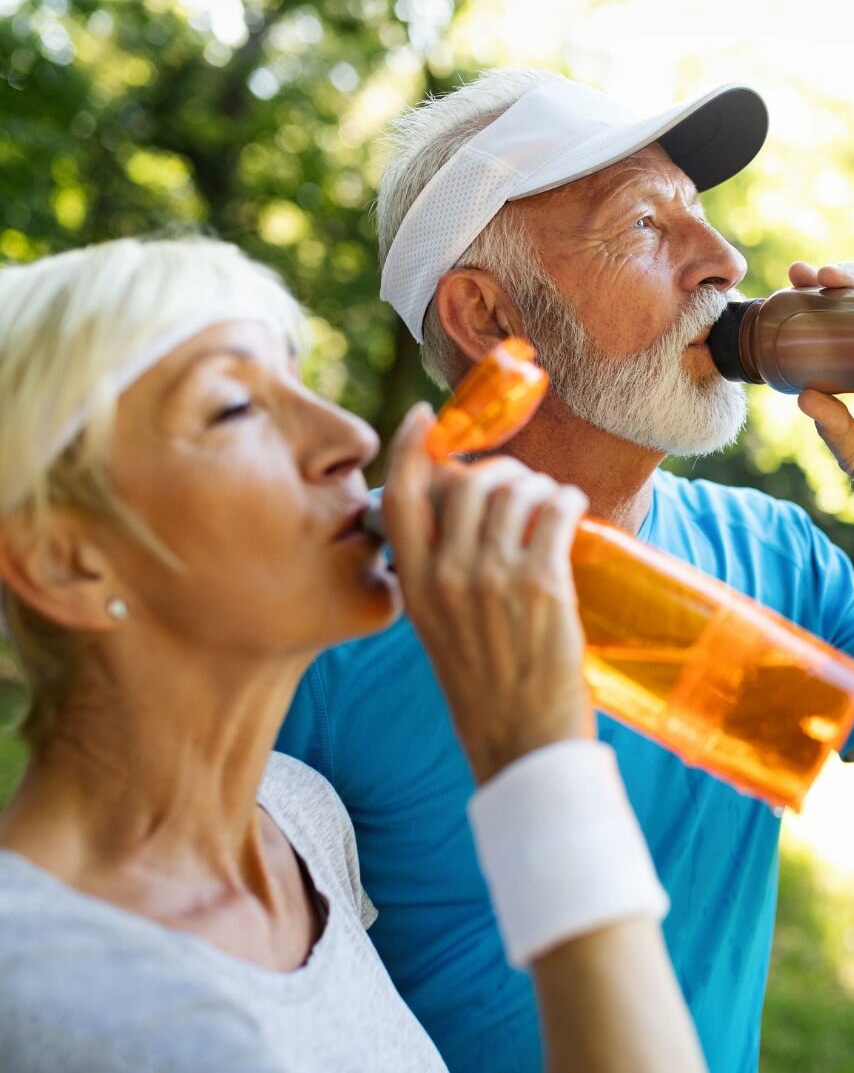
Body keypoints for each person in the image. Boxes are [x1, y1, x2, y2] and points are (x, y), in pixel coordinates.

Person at [277, 69, 854, 1071]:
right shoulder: (317, 614)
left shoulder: (771, 561)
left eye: (702, 217)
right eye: (647, 226)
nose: (728, 260)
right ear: (487, 319)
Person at [0, 237, 708, 1072]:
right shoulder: (63, 997)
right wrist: (537, 757)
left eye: (299, 387)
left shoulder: (299, 821)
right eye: (233, 408)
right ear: (65, 560)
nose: (348, 437)